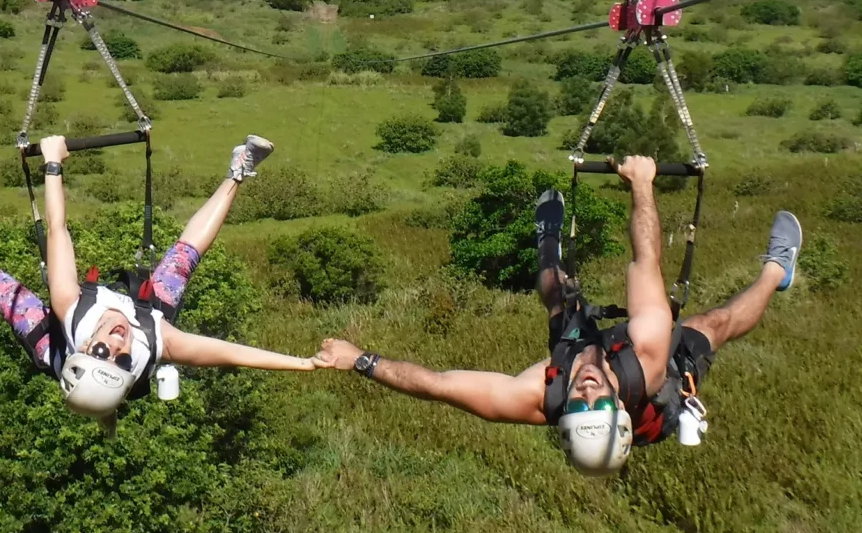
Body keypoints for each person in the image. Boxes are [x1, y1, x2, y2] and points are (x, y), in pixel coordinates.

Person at [313, 155, 802, 476]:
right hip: (661, 374)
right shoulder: (649, 360)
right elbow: (645, 260)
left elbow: (437, 384)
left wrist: (360, 360)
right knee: (713, 325)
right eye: (600, 404)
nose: (586, 391)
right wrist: (642, 185)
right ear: (618, 406)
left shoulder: (536, 398)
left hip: (593, 352)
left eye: (578, 405)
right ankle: (778, 270)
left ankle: (546, 235)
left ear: (561, 415)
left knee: (558, 296)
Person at [0, 134, 320, 431]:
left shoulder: (70, 311)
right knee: (181, 260)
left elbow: (57, 230)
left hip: (54, 343)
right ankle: (238, 170)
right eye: (123, 361)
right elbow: (234, 355)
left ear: (87, 348)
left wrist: (52, 163)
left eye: (105, 351)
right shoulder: (155, 342)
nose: (119, 345)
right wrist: (305, 365)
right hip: (145, 316)